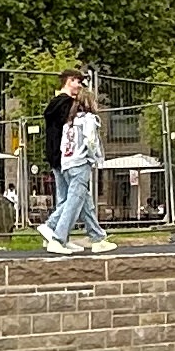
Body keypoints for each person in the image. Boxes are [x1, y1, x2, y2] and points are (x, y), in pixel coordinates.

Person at [40, 90, 114, 255]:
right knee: (73, 202)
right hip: (80, 163)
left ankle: (97, 238)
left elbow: (63, 144)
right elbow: (90, 141)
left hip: (67, 163)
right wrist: (94, 157)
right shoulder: (89, 119)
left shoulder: (69, 122)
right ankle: (56, 236)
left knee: (84, 202)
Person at [39, 65, 88, 222]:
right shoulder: (68, 105)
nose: (79, 86)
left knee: (65, 196)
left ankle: (58, 233)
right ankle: (52, 227)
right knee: (72, 197)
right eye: (77, 82)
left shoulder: (54, 103)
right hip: (67, 154)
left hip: (54, 153)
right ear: (69, 81)